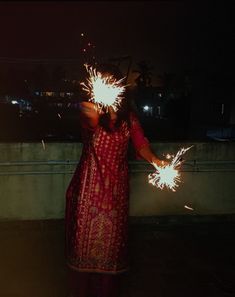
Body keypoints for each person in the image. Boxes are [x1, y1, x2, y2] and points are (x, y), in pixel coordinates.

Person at [65, 64, 167, 297]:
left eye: (113, 82)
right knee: (84, 255)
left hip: (114, 198)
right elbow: (87, 116)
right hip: (87, 198)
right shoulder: (93, 115)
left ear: (120, 88)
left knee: (110, 259)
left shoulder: (129, 119)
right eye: (104, 82)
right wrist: (91, 109)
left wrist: (156, 161)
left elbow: (141, 146)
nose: (108, 86)